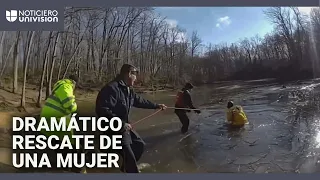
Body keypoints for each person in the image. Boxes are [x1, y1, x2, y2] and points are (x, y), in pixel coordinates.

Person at [95, 64, 167, 173]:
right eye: (135, 74)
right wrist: (120, 123)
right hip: (114, 129)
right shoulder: (111, 88)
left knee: (139, 145)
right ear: (128, 73)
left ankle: (123, 166)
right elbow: (102, 110)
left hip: (125, 127)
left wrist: (157, 105)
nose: (136, 78)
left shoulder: (128, 90)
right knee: (129, 157)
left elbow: (139, 101)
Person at [39, 75, 86, 173]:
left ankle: (66, 166)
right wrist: (75, 105)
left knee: (61, 145)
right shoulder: (66, 86)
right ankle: (76, 169)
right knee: (70, 146)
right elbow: (70, 106)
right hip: (55, 121)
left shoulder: (59, 87)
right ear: (74, 82)